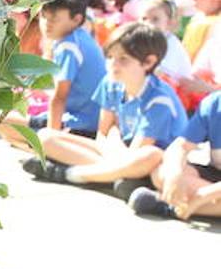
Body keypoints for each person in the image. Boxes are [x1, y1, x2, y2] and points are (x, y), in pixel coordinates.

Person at [24, 23, 187, 194]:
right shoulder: (110, 83)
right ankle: (113, 177)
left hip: (152, 162)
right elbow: (102, 133)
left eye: (123, 59)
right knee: (45, 138)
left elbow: (138, 152)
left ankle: (70, 173)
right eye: (110, 57)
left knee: (150, 155)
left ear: (148, 62)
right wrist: (113, 138)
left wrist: (114, 136)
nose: (112, 64)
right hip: (117, 153)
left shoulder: (159, 99)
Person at [0, 0, 105, 149]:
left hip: (80, 125)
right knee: (12, 131)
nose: (47, 23)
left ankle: (49, 153)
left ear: (76, 19)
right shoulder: (78, 37)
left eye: (54, 19)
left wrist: (52, 139)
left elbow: (59, 97)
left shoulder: (69, 46)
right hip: (85, 120)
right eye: (44, 16)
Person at [129, 89, 221, 219]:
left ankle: (168, 206)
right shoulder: (214, 103)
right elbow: (180, 146)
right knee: (162, 171)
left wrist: (202, 196)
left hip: (210, 191)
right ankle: (193, 204)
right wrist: (175, 173)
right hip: (216, 176)